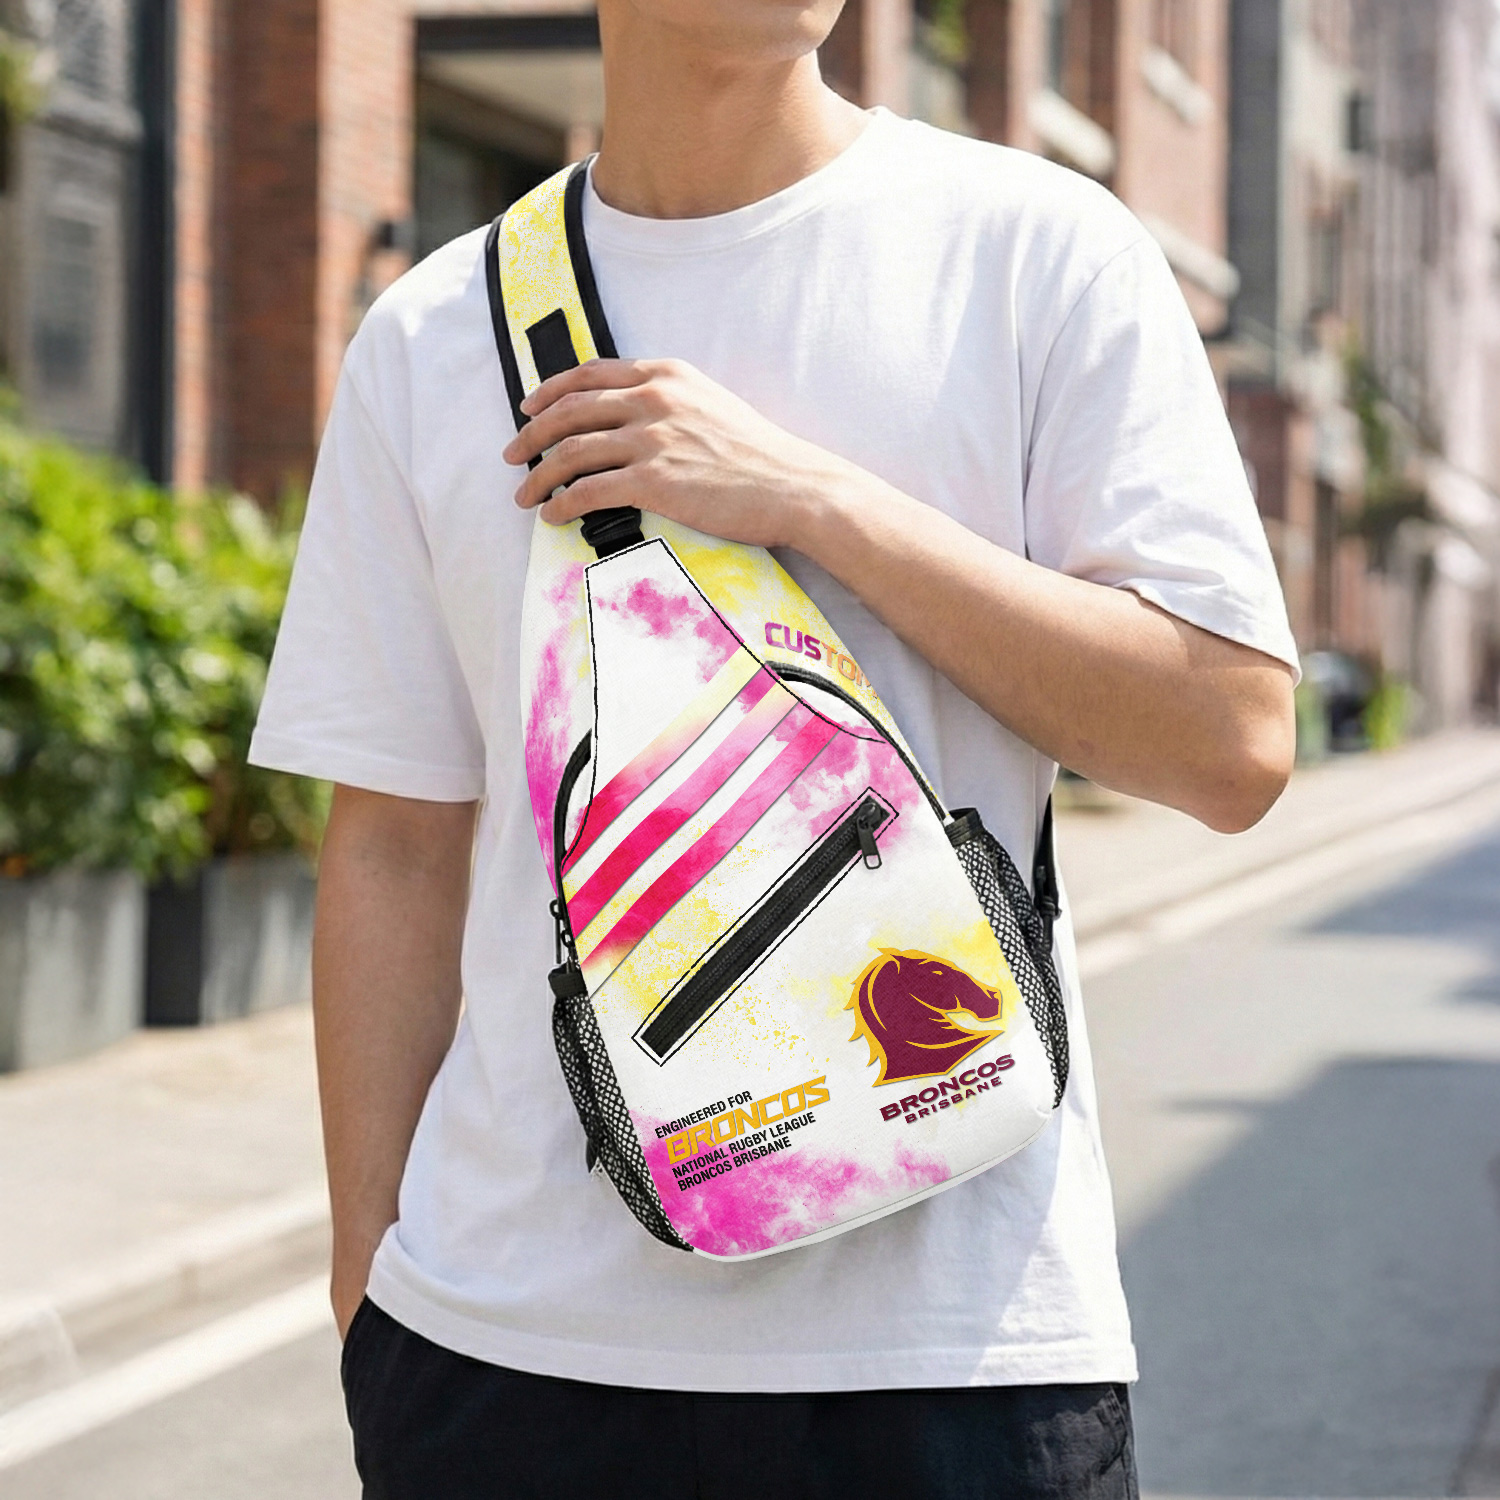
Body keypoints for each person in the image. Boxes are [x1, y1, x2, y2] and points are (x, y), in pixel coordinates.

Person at [250, 2, 1299, 1495]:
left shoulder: (1036, 253)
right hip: (509, 1359)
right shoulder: (436, 333)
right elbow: (399, 843)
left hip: (953, 1360)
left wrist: (814, 499)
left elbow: (1234, 741)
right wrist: (373, 1291)